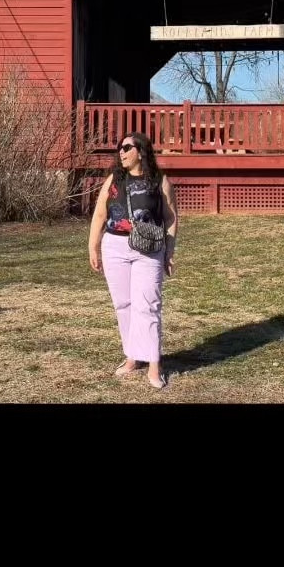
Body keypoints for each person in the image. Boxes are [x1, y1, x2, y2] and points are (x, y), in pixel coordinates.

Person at [88, 132, 178, 391]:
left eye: (127, 147)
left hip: (148, 249)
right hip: (114, 246)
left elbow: (170, 219)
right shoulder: (114, 180)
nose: (121, 152)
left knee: (148, 305)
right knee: (124, 305)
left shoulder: (159, 181)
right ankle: (132, 357)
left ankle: (153, 364)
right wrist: (93, 247)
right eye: (120, 148)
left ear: (141, 151)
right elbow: (99, 214)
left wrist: (169, 253)